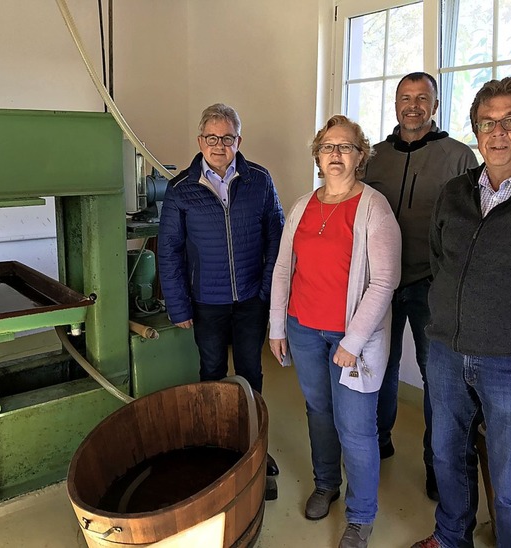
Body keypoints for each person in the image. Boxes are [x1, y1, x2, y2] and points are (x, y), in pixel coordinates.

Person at [412, 77, 511, 548]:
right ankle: (452, 537)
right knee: (447, 457)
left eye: (510, 120)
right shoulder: (456, 192)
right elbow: (441, 260)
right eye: (487, 122)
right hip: (448, 353)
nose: (498, 132)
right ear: (476, 131)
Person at [269, 115, 401, 548]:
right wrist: (277, 325)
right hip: (304, 329)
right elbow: (284, 269)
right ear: (318, 155)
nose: (336, 155)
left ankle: (361, 517)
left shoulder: (374, 208)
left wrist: (353, 341)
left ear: (360, 156)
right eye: (328, 147)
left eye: (346, 147)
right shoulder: (302, 205)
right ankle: (326, 484)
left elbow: (384, 281)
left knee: (357, 428)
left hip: (352, 341)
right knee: (319, 412)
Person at [364, 72, 478, 501]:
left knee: (439, 380)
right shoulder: (374, 157)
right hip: (381, 284)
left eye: (422, 98)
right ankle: (377, 442)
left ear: (435, 104)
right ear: (395, 104)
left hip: (433, 285)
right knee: (380, 366)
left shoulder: (459, 157)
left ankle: (438, 467)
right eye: (405, 98)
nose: (412, 106)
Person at [157, 103, 285, 481]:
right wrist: (179, 306)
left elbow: (277, 238)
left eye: (226, 138)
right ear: (200, 141)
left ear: (238, 141)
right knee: (211, 372)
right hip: (206, 302)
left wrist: (264, 291)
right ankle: (215, 447)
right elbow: (169, 250)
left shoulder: (259, 180)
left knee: (250, 373)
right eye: (211, 138)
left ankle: (255, 446)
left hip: (250, 301)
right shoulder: (181, 189)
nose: (218, 145)